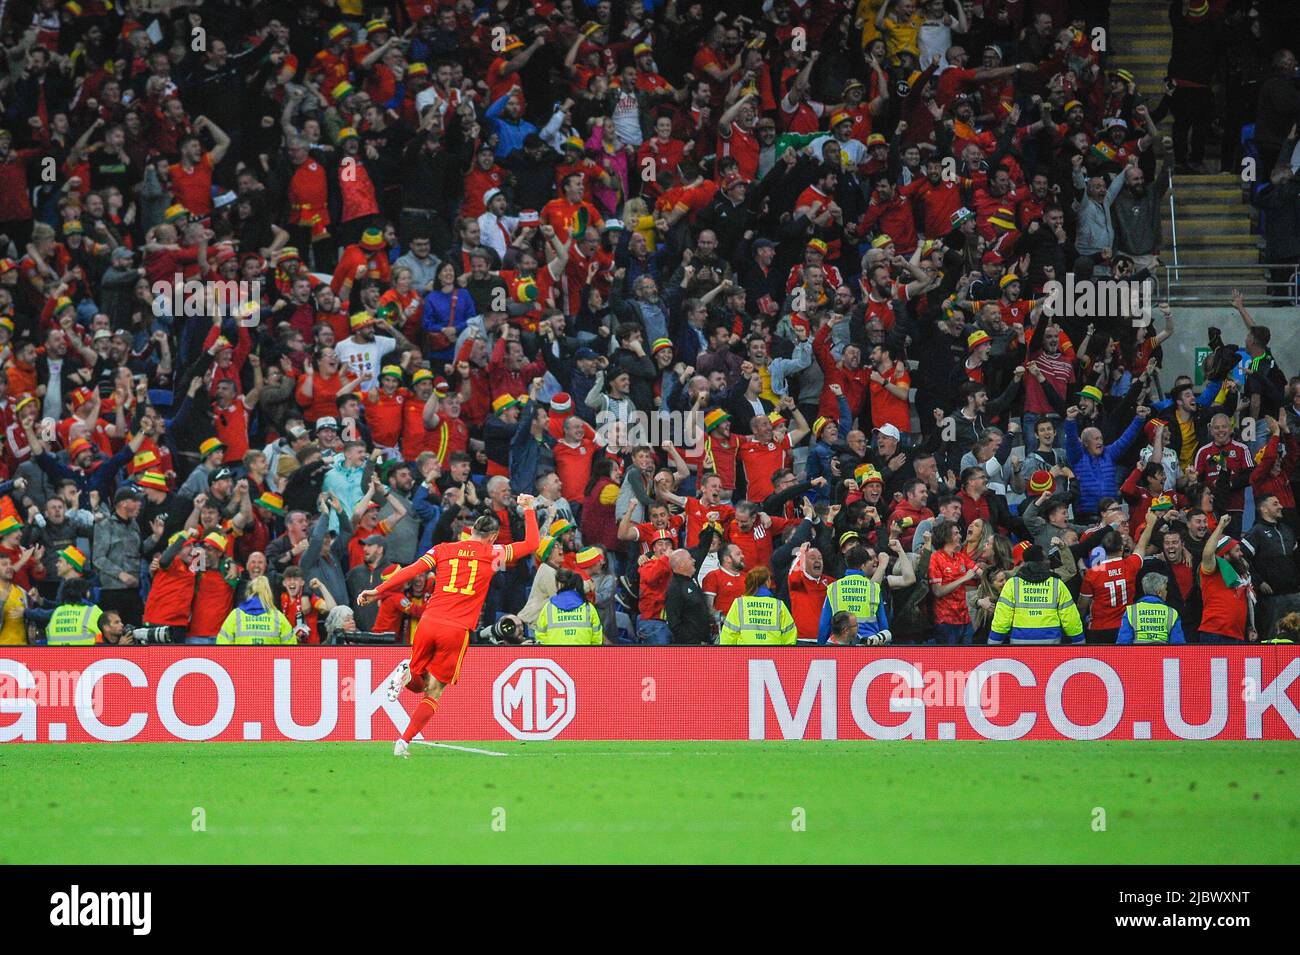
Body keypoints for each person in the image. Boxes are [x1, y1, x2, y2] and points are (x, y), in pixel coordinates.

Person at [359, 497, 541, 757]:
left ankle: (406, 673)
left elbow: (410, 570)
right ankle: (403, 742)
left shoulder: (442, 549)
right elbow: (533, 544)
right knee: (433, 691)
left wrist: (378, 591)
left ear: (472, 532)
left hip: (429, 622)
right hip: (455, 630)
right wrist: (529, 508)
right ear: (491, 537)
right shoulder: (493, 553)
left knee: (418, 681)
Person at [988, 546, 1085, 645]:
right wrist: (1079, 640)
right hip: (1051, 643)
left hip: (1020, 643)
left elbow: (1002, 618)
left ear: (1024, 562)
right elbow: (1070, 617)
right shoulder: (1056, 584)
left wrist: (993, 643)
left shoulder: (1013, 584)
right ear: (1044, 562)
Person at [720, 567, 796, 645]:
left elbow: (729, 634)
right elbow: (789, 635)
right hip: (773, 654)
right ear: (767, 582)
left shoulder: (739, 603)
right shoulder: (778, 605)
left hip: (744, 654)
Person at [217, 577, 296, 645]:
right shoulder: (278, 617)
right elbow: (291, 648)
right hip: (270, 662)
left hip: (241, 661)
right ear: (269, 593)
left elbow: (222, 645)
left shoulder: (235, 615)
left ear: (248, 593)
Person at [533, 569, 602, 645]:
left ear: (557, 584)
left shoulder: (548, 608)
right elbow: (597, 638)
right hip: (583, 655)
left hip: (555, 655)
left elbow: (540, 637)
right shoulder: (588, 607)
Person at [1117, 573, 1186, 645]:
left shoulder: (1131, 611)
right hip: (1162, 654)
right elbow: (1178, 645)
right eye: (1165, 589)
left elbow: (1123, 643)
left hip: (1137, 655)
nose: (1167, 592)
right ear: (1159, 592)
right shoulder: (1171, 613)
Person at [44, 578, 102, 646]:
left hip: (55, 655)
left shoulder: (56, 611)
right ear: (86, 593)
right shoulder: (93, 611)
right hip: (86, 655)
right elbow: (108, 634)